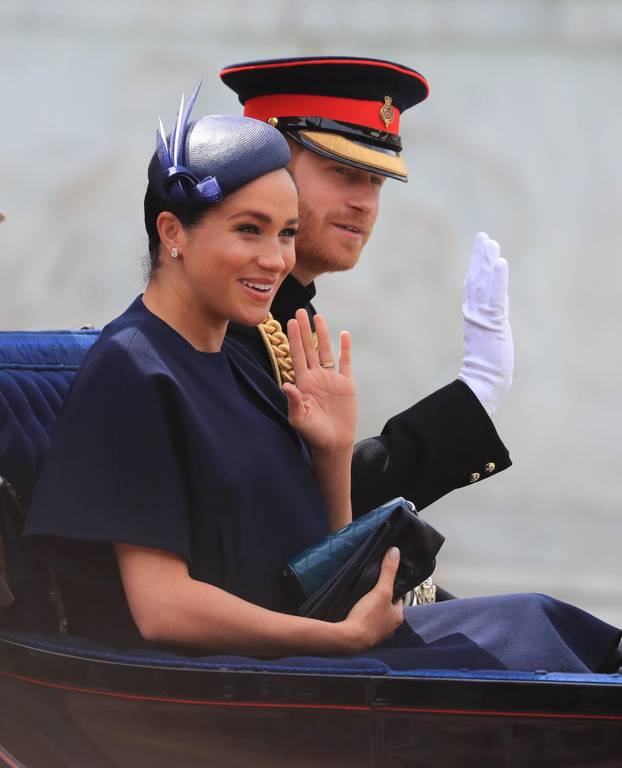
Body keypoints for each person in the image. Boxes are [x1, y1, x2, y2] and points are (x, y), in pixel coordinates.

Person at [23, 88, 621, 672]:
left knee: (546, 628)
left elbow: (320, 555)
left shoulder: (237, 357)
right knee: (540, 651)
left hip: (304, 655)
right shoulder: (134, 365)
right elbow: (162, 610)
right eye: (249, 230)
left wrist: (332, 453)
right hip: (248, 682)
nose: (276, 260)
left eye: (285, 233)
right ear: (173, 231)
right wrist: (336, 640)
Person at [219, 56, 514, 519]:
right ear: (266, 170)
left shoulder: (284, 312)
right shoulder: (228, 317)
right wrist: (475, 393)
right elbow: (295, 509)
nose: (364, 202)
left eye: (377, 180)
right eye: (342, 172)